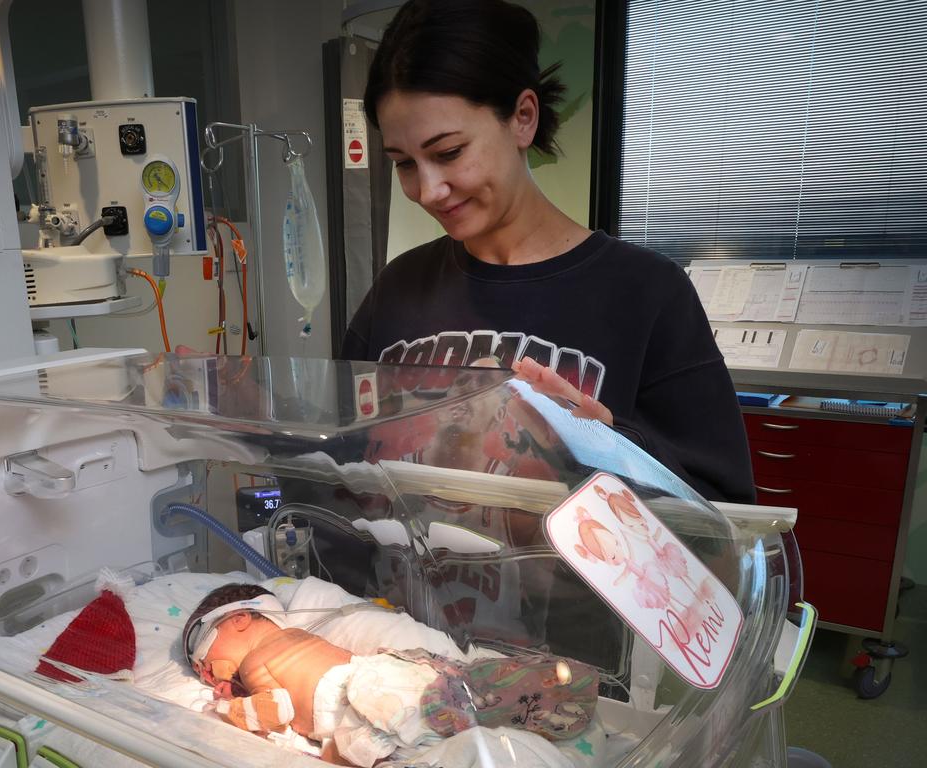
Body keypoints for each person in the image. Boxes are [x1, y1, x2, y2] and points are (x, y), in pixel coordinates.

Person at [341, 0, 755, 506]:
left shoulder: (647, 294)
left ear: (523, 118)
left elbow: (725, 507)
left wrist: (610, 443)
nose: (428, 190)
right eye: (404, 163)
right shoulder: (397, 290)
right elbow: (341, 462)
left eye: (448, 153)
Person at [182, 583, 598, 767]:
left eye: (202, 653)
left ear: (238, 620)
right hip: (387, 672)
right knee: (453, 694)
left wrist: (230, 708)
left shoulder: (258, 661)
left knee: (400, 750)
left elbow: (278, 708)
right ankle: (519, 686)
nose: (203, 672)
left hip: (358, 703)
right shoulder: (293, 637)